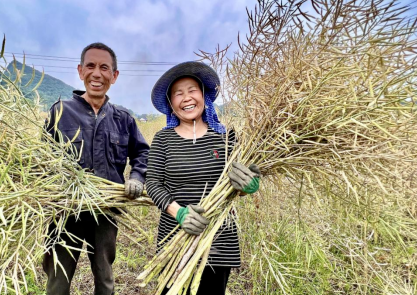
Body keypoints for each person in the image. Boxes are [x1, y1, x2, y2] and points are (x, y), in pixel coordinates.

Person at [42, 42, 149, 295]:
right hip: (66, 211)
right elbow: (43, 158)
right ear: (80, 71)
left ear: (114, 75)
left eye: (104, 67)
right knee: (57, 280)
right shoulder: (59, 112)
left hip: (106, 212)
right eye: (90, 66)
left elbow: (142, 152)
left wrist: (136, 177)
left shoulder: (123, 119)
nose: (97, 73)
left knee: (104, 277)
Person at [145, 61, 261, 295]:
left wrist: (249, 185)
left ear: (204, 96)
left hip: (219, 241)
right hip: (175, 239)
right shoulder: (163, 139)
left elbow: (238, 183)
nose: (186, 98)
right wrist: (179, 212)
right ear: (171, 103)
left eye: (192, 90)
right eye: (178, 93)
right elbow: (153, 184)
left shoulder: (227, 137)